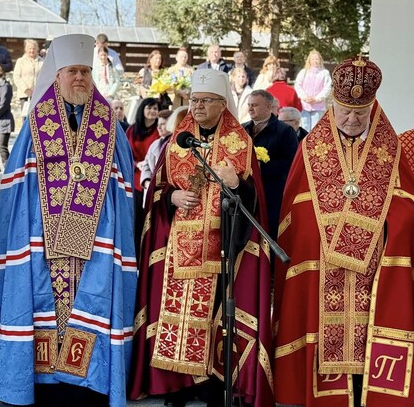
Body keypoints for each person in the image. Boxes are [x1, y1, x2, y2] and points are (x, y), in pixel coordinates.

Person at [0, 33, 137, 407]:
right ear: (57, 76)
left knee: (91, 299)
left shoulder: (108, 123)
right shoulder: (36, 121)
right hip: (41, 234)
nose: (80, 79)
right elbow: (18, 185)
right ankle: (36, 378)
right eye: (73, 71)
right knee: (39, 300)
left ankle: (86, 378)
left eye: (85, 72)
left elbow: (124, 184)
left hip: (96, 238)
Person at [273, 56, 414, 407]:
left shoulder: (391, 152)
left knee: (368, 342)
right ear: (332, 106)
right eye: (344, 112)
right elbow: (295, 210)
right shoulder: (309, 149)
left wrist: (380, 227)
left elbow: (407, 205)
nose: (351, 120)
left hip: (373, 269)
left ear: (372, 109)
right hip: (322, 267)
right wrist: (323, 230)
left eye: (360, 114)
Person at [130, 68, 273, 407]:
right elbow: (158, 189)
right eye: (194, 100)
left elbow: (255, 201)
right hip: (176, 244)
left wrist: (236, 184)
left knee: (216, 318)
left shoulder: (240, 143)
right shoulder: (176, 141)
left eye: (205, 101)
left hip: (222, 245)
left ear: (223, 104)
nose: (196, 107)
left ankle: (212, 384)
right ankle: (175, 385)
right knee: (174, 313)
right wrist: (171, 198)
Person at [241, 89, 298, 237]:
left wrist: (261, 167)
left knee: (269, 233)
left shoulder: (285, 131)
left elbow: (291, 162)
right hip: (245, 191)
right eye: (249, 105)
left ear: (268, 107)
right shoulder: (242, 129)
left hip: (271, 193)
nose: (250, 108)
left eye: (255, 105)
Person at [126, 97, 160, 257]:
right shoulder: (132, 130)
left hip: (152, 179)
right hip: (134, 179)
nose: (153, 111)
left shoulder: (159, 131)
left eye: (155, 109)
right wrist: (135, 164)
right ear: (143, 110)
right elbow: (125, 153)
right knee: (135, 220)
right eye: (150, 108)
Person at [140, 106, 188, 201]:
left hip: (167, 192)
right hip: (152, 190)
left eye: (163, 124)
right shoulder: (155, 144)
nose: (159, 127)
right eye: (158, 124)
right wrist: (146, 181)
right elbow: (146, 165)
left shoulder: (176, 143)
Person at [294, 49, 331, 131]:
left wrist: (316, 99)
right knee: (304, 127)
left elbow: (327, 88)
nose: (315, 61)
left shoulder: (325, 73)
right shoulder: (303, 72)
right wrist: (304, 97)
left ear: (320, 60)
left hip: (318, 106)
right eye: (313, 59)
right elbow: (297, 85)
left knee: (315, 129)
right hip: (304, 105)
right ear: (309, 60)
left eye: (317, 59)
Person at [12, 39, 43, 120]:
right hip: (25, 94)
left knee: (38, 117)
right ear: (26, 49)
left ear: (37, 49)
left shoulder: (42, 61)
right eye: (30, 48)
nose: (32, 50)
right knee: (26, 118)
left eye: (34, 48)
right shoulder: (20, 61)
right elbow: (16, 77)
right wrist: (26, 89)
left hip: (38, 94)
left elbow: (45, 76)